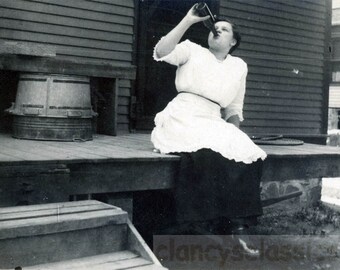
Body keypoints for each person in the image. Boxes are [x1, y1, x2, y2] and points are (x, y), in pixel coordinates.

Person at [151, 4, 267, 256]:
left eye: (224, 29)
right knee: (205, 152)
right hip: (183, 114)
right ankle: (201, 224)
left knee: (249, 152)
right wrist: (188, 20)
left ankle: (238, 225)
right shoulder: (192, 51)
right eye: (216, 27)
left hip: (213, 118)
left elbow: (234, 108)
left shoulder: (238, 66)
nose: (218, 30)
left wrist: (235, 135)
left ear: (233, 41)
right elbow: (160, 51)